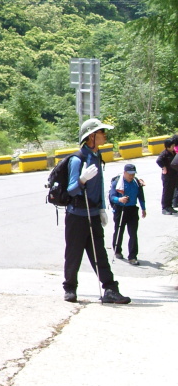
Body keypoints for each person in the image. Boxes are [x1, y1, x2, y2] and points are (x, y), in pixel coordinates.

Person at [62, 118, 131, 304]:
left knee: (99, 254)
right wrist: (82, 180)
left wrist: (101, 208)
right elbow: (71, 189)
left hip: (92, 213)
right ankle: (69, 289)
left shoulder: (97, 156)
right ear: (91, 135)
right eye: (101, 132)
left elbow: (100, 185)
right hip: (76, 215)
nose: (105, 135)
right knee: (73, 253)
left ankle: (110, 289)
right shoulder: (78, 159)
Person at [109, 163, 147, 266]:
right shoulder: (117, 183)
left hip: (132, 209)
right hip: (120, 209)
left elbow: (141, 196)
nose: (131, 176)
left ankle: (133, 256)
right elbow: (112, 197)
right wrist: (119, 199)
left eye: (133, 173)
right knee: (119, 230)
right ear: (124, 173)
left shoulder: (136, 182)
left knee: (133, 233)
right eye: (130, 173)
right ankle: (117, 250)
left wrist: (143, 208)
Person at [157, 137, 177, 215]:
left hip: (174, 175)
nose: (173, 147)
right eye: (172, 146)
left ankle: (169, 206)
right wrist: (163, 167)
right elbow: (158, 161)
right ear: (168, 146)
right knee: (167, 192)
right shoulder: (164, 153)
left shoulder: (173, 152)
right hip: (167, 176)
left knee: (172, 191)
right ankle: (165, 207)